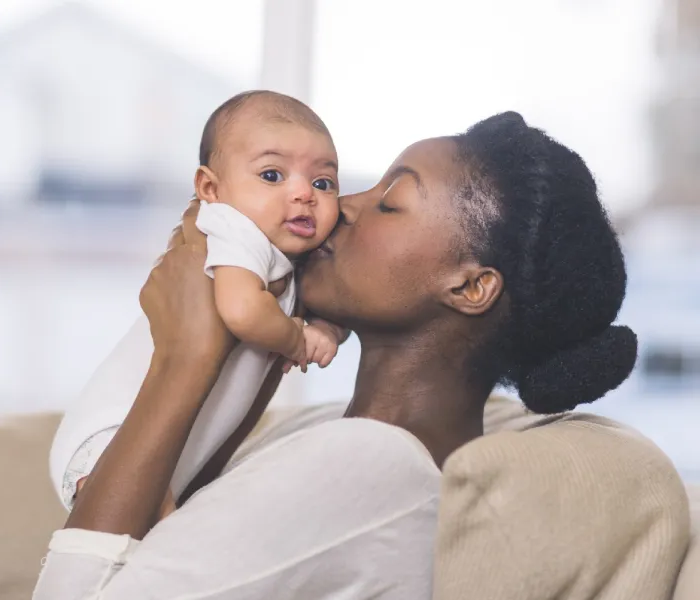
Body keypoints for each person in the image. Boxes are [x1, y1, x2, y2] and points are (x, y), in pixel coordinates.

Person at [34, 112, 640, 599]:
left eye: (389, 201)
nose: (340, 204)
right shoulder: (345, 436)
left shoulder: (372, 463)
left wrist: (184, 358)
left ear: (469, 286)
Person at [50, 90, 348, 504]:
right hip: (112, 437)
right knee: (158, 552)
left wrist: (329, 328)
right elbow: (243, 311)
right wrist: (299, 338)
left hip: (167, 450)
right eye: (272, 175)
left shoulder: (282, 255)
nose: (304, 194)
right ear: (210, 188)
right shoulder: (233, 229)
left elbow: (335, 304)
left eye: (322, 182)